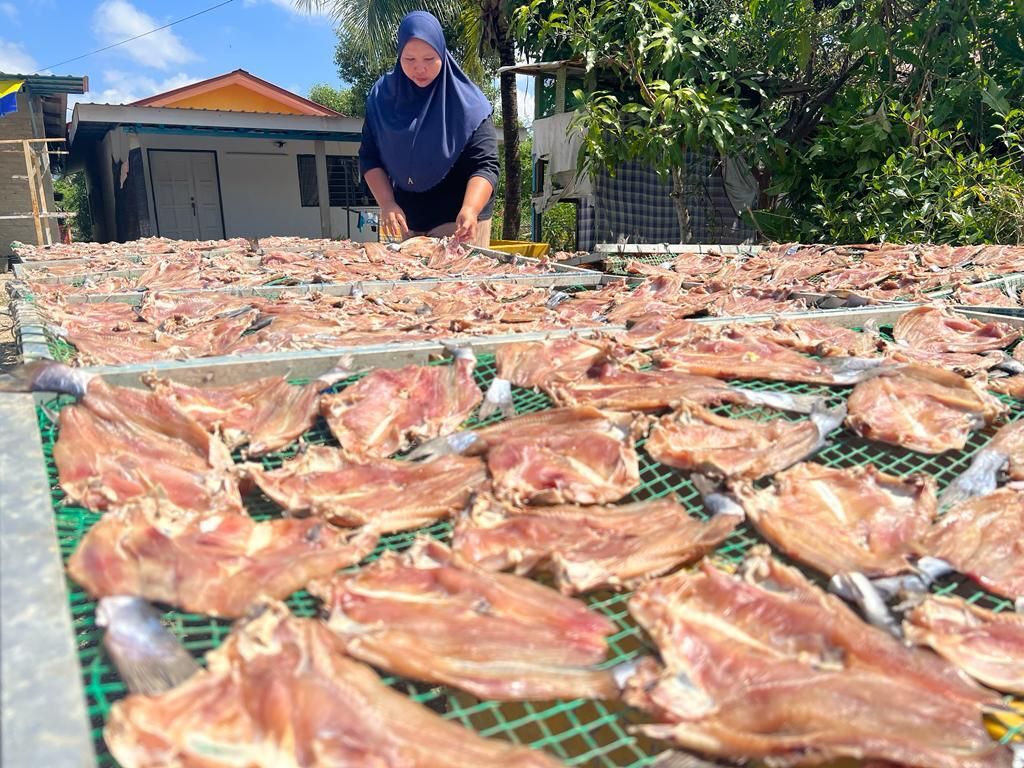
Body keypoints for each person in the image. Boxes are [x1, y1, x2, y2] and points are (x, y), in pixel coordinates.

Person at [359, 10, 499, 247]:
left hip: (460, 220)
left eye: (429, 58)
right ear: (399, 56)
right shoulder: (382, 98)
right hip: (408, 220)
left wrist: (471, 208)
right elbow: (369, 157)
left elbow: (485, 165)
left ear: (442, 53)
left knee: (459, 273)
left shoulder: (469, 103)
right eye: (409, 59)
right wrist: (387, 203)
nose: (420, 68)